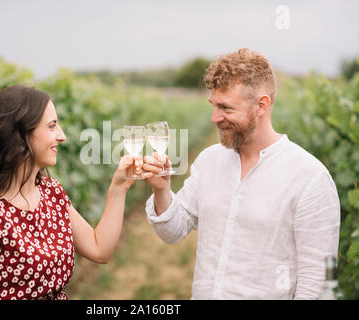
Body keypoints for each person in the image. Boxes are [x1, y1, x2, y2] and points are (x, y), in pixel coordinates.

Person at [141, 48, 341, 299]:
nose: (215, 118)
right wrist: (162, 190)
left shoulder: (310, 178)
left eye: (226, 108)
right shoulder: (209, 161)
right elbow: (172, 231)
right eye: (213, 105)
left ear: (262, 105)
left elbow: (319, 285)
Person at [0, 85, 140, 300]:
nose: (62, 136)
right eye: (52, 126)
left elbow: (99, 249)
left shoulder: (52, 193)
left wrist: (119, 188)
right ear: (19, 134)